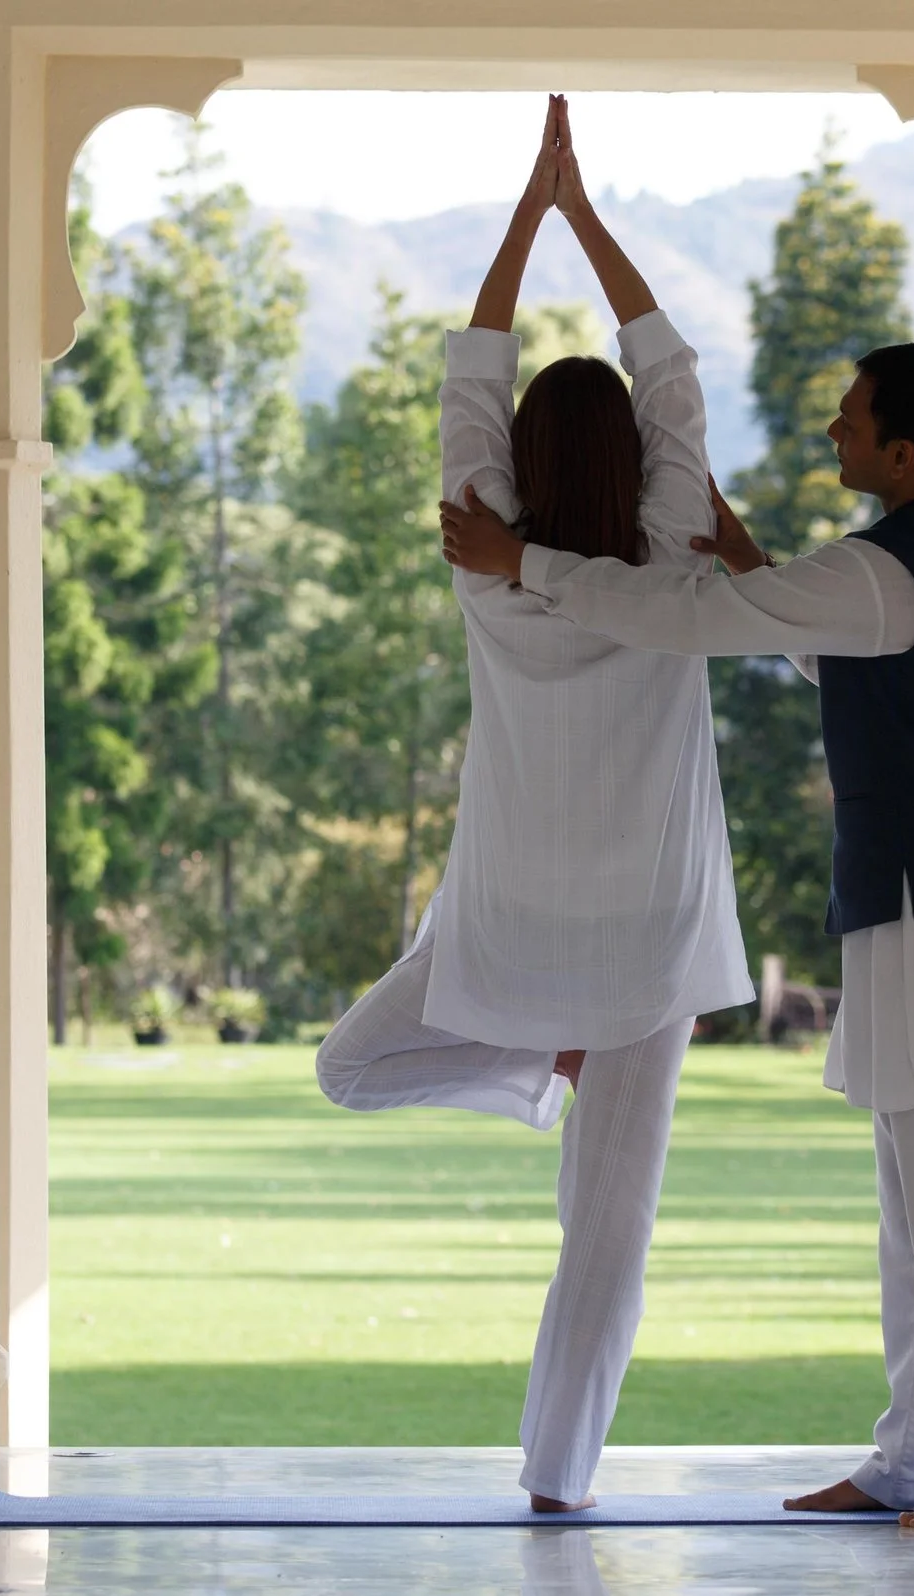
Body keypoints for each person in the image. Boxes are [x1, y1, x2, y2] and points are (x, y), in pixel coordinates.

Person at [437, 343, 914, 1532]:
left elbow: (688, 619)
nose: (832, 426)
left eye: (852, 416)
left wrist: (522, 558)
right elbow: (836, 649)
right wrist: (751, 563)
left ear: (903, 450)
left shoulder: (885, 567)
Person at [313, 96, 750, 1513]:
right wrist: (593, 220)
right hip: (648, 934)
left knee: (349, 1065)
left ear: (518, 460)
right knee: (608, 1237)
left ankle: (525, 1064)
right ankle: (558, 1480)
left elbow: (469, 376)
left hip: (508, 918)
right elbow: (672, 374)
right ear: (633, 466)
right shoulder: (677, 543)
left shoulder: (482, 557)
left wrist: (531, 210)